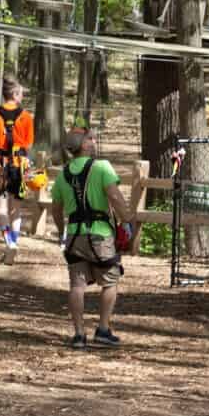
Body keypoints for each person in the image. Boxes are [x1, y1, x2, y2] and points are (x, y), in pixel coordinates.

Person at [49, 128, 135, 349]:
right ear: (84, 145)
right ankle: (103, 330)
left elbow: (56, 210)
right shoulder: (102, 167)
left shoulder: (63, 174)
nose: (94, 141)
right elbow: (114, 196)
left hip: (75, 236)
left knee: (77, 285)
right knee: (110, 281)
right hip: (100, 235)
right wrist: (127, 218)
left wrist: (61, 231)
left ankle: (79, 334)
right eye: (90, 138)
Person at [0, 78, 34, 264]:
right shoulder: (27, 117)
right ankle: (14, 241)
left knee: (1, 208)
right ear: (14, 94)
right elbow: (28, 145)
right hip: (18, 164)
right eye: (21, 93)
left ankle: (9, 244)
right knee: (16, 208)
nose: (22, 96)